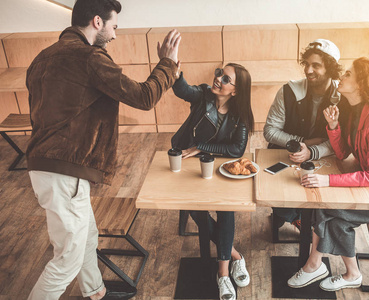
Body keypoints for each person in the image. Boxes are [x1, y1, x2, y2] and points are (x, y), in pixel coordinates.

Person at [25, 0, 181, 299]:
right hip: (63, 170)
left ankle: (95, 292)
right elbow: (144, 97)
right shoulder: (88, 57)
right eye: (113, 26)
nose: (114, 34)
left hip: (48, 166)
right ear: (97, 22)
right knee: (66, 261)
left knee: (86, 237)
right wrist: (168, 64)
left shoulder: (43, 58)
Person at [287, 57, 369, 291]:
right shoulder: (354, 112)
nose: (341, 77)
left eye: (348, 74)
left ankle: (314, 265)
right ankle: (349, 273)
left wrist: (327, 180)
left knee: (326, 208)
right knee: (334, 219)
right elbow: (344, 153)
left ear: (361, 85)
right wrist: (334, 126)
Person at [171, 63, 254, 300]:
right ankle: (235, 255)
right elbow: (184, 90)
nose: (218, 79)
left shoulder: (240, 116)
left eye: (226, 79)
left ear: (236, 91)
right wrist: (177, 76)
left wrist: (202, 147)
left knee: (226, 210)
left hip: (220, 167)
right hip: (187, 161)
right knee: (194, 209)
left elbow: (236, 149)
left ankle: (223, 273)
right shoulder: (204, 95)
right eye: (219, 73)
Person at [263, 39, 350, 230]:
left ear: (331, 68)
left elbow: (341, 141)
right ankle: (291, 216)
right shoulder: (288, 90)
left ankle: (305, 219)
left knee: (324, 199)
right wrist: (303, 142)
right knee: (274, 191)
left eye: (316, 66)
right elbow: (270, 131)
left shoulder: (343, 96)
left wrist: (311, 151)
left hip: (323, 155)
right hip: (286, 153)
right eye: (307, 64)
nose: (308, 70)